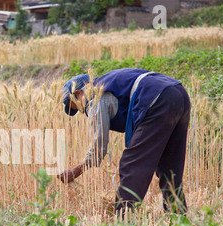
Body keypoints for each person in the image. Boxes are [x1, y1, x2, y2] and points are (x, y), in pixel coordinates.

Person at [58, 68, 191, 215]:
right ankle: (178, 217)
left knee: (132, 164)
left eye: (77, 107)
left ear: (78, 94)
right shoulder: (107, 82)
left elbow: (99, 146)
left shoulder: (95, 97)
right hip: (178, 93)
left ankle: (124, 219)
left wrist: (77, 170)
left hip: (155, 98)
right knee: (169, 166)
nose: (83, 112)